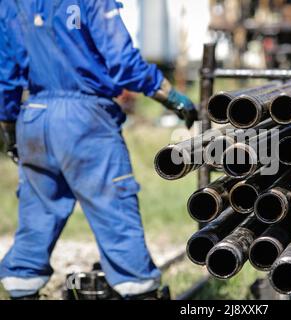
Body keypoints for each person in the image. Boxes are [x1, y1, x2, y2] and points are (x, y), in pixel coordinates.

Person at [0, 0, 198, 300]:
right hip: (85, 119)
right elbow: (122, 60)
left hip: (35, 117)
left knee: (37, 211)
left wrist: (9, 125)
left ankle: (21, 286)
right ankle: (138, 289)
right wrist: (169, 96)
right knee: (113, 207)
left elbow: (6, 70)